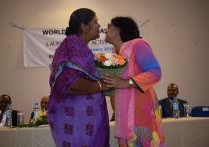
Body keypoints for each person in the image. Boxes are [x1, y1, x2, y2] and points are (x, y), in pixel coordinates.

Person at [48, 8, 110, 147]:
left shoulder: (77, 45)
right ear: (84, 26)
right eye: (95, 22)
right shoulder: (74, 45)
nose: (99, 25)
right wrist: (100, 86)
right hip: (77, 123)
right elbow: (69, 83)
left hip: (82, 121)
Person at [103, 17, 165, 147]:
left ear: (119, 29)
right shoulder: (113, 54)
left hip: (141, 111)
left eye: (109, 26)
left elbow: (155, 72)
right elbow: (113, 87)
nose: (105, 29)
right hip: (122, 116)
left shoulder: (138, 44)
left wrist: (125, 83)